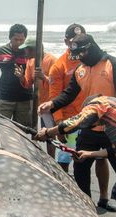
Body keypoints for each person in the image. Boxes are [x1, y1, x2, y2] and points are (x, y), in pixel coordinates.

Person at [39, 34, 116, 214]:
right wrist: (53, 103)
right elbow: (69, 93)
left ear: (91, 47)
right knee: (80, 166)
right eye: (77, 54)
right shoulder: (81, 69)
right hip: (88, 127)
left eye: (82, 53)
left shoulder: (114, 65)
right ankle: (86, 206)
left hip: (112, 128)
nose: (80, 57)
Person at [48, 23, 86, 172]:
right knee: (64, 158)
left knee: (96, 159)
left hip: (91, 118)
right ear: (66, 42)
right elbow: (54, 97)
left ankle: (102, 195)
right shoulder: (59, 66)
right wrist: (59, 125)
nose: (77, 44)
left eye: (81, 40)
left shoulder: (91, 61)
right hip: (69, 119)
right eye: (73, 41)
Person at [14, 36, 57, 157]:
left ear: (35, 50)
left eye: (27, 50)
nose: (25, 52)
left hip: (56, 104)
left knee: (61, 135)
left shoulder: (53, 61)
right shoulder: (31, 62)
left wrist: (44, 78)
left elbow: (59, 85)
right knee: (47, 134)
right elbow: (27, 84)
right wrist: (21, 77)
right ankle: (51, 160)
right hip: (43, 106)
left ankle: (62, 162)